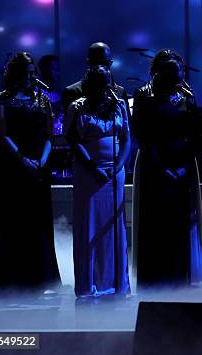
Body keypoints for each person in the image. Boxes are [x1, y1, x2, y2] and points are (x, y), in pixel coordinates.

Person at [0, 52, 61, 295]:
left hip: (38, 168)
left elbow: (51, 135)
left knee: (37, 224)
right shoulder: (2, 100)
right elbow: (2, 135)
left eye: (33, 73)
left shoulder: (43, 100)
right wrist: (22, 160)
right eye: (27, 74)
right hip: (12, 169)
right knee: (13, 222)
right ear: (16, 74)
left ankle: (40, 278)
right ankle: (11, 279)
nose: (31, 78)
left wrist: (40, 160)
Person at [132, 49, 202, 288]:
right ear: (159, 72)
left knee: (180, 222)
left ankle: (178, 274)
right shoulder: (144, 95)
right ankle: (155, 277)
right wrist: (163, 166)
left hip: (182, 164)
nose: (178, 77)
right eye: (172, 73)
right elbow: (142, 134)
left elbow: (196, 132)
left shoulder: (186, 96)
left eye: (180, 72)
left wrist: (184, 165)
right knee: (155, 221)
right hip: (155, 165)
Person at [64, 64, 131, 297]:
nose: (104, 88)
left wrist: (120, 165)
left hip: (114, 172)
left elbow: (127, 138)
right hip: (88, 173)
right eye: (99, 83)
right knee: (89, 226)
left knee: (113, 227)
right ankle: (89, 284)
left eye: (107, 83)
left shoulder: (119, 106)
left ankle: (115, 283)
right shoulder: (78, 107)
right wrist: (93, 167)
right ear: (89, 85)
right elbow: (73, 140)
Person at [62, 42, 128, 113]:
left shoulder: (120, 92)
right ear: (88, 62)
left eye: (103, 63)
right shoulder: (72, 92)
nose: (100, 68)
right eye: (96, 62)